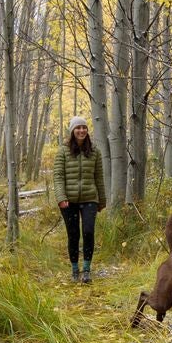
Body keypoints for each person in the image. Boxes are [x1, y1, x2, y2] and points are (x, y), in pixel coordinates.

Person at [51, 116, 106, 283]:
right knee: (73, 235)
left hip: (90, 198)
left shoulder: (95, 151)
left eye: (84, 127)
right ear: (72, 131)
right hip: (69, 201)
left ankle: (87, 269)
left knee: (88, 232)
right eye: (78, 128)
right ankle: (75, 269)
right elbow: (58, 176)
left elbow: (99, 177)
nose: (81, 131)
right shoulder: (63, 151)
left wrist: (102, 200)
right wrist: (61, 197)